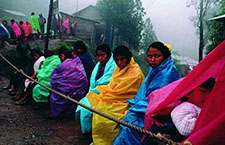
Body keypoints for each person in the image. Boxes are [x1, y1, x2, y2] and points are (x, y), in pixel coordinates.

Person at [113, 41, 181, 145]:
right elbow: (144, 92)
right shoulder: (156, 68)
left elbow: (161, 101)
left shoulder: (167, 73)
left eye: (157, 56)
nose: (153, 59)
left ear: (165, 56)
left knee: (131, 130)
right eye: (150, 56)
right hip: (148, 107)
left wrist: (136, 108)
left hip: (161, 114)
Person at [87, 45, 145, 145]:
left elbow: (127, 92)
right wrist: (107, 94)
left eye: (122, 59)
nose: (119, 62)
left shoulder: (135, 72)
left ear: (128, 58)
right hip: (114, 97)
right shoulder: (117, 68)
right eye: (116, 60)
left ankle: (109, 141)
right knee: (99, 109)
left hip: (128, 101)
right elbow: (113, 86)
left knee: (107, 115)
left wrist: (108, 95)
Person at [76, 44, 116, 134]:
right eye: (98, 56)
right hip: (95, 93)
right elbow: (93, 81)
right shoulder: (98, 66)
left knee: (90, 108)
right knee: (84, 105)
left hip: (107, 95)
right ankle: (87, 130)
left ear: (108, 55)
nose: (100, 58)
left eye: (103, 55)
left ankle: (92, 131)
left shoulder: (114, 66)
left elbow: (110, 83)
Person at [50, 46, 88, 118]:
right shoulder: (77, 62)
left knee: (55, 94)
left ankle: (57, 113)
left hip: (66, 89)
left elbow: (54, 78)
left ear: (62, 56)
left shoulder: (63, 65)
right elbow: (83, 77)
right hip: (79, 88)